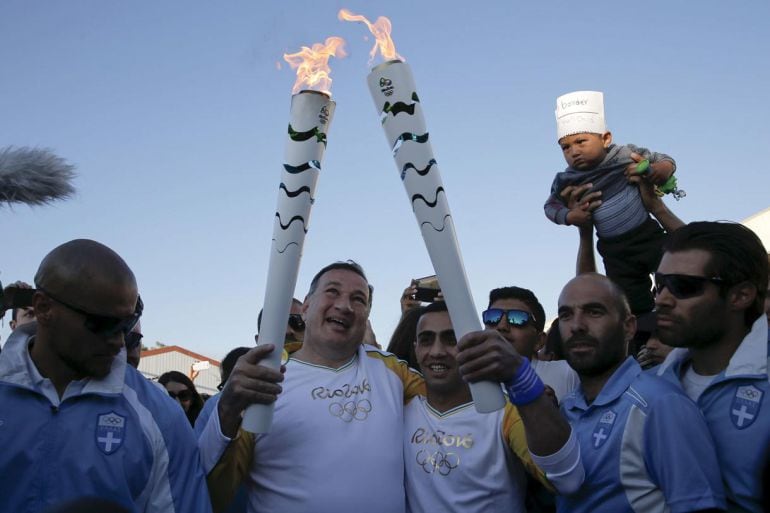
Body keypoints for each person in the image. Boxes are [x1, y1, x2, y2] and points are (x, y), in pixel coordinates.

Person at [200, 260, 560, 513]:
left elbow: (453, 394)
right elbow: (212, 491)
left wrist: (530, 400)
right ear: (306, 307)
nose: (345, 304)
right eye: (333, 292)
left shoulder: (392, 373)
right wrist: (229, 408)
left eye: (359, 299)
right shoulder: (264, 385)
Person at [0, 239, 211, 513]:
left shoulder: (161, 416)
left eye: (125, 326)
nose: (118, 342)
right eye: (101, 325)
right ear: (43, 308)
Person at [556, 273, 725, 513]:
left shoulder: (660, 404)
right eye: (566, 315)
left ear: (628, 327)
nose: (576, 326)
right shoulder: (566, 407)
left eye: (594, 312)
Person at [404, 302, 583, 513]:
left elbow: (567, 480)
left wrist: (523, 382)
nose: (437, 351)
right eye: (426, 340)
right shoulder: (401, 409)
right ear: (416, 348)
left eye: (451, 339)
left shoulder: (505, 412)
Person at [654, 221, 770, 512]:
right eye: (660, 284)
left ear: (741, 296)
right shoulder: (646, 387)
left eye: (683, 286)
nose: (662, 300)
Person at [545, 90, 677, 315]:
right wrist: (569, 217)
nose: (574, 151)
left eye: (581, 141)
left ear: (606, 138)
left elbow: (663, 159)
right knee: (631, 303)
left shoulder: (624, 155)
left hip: (647, 235)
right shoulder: (567, 179)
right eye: (565, 147)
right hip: (614, 251)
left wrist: (661, 171)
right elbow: (550, 207)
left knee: (676, 278)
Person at [483, 286, 579, 403]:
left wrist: (552, 413)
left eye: (517, 318)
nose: (501, 326)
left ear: (539, 341)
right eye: (493, 317)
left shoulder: (567, 373)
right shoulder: (468, 382)